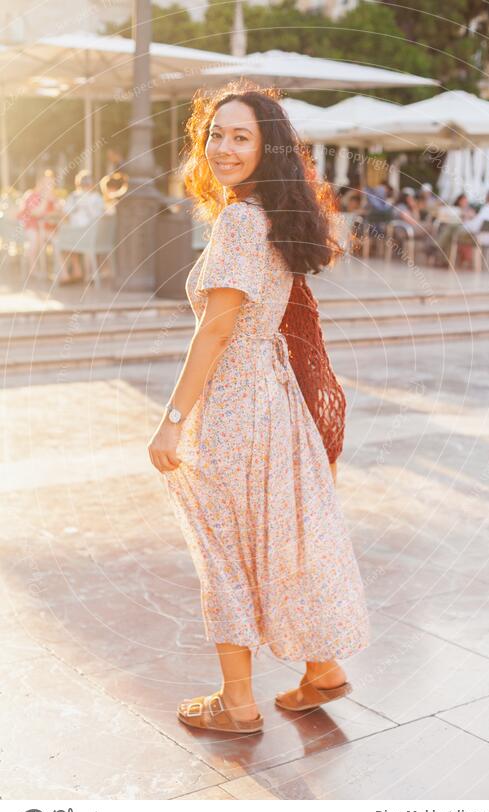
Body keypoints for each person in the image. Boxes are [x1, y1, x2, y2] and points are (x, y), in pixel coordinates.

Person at [147, 84, 371, 734]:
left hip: (235, 407)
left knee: (223, 548)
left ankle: (237, 703)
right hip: (274, 405)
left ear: (266, 146)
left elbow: (215, 329)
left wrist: (172, 418)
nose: (222, 147)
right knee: (274, 539)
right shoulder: (272, 212)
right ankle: (321, 670)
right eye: (215, 134)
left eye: (239, 136)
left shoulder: (241, 220)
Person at [56, 170, 105, 284]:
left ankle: (70, 273)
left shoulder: (76, 197)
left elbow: (65, 214)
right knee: (69, 239)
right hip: (91, 235)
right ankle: (79, 272)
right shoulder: (95, 198)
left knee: (59, 242)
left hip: (85, 235)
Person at [17, 169, 59, 273]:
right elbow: (35, 213)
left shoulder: (52, 198)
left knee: (57, 240)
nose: (48, 186)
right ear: (40, 184)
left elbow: (58, 214)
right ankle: (33, 267)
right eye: (46, 183)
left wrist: (55, 202)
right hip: (30, 226)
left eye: (50, 183)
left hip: (45, 227)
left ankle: (57, 270)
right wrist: (45, 198)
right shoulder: (32, 195)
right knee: (35, 239)